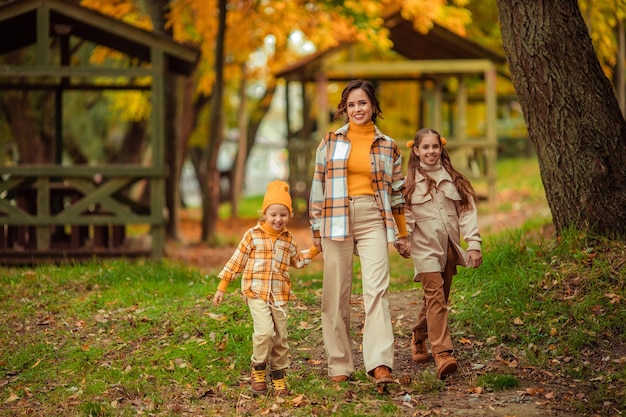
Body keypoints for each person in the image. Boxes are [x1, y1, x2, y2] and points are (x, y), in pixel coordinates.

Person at [309, 79, 411, 386]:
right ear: (344, 108)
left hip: (373, 218)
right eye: (351, 104)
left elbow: (396, 194)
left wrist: (401, 233)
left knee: (376, 291)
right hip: (334, 218)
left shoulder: (389, 146)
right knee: (335, 295)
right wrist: (316, 228)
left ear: (373, 107)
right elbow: (318, 185)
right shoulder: (329, 142)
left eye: (362, 103)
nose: (357, 109)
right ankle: (340, 363)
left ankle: (380, 363)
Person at [213, 180, 319, 395]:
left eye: (283, 214)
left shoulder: (289, 239)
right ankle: (258, 369)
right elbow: (237, 261)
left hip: (279, 296)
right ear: (264, 214)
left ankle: (279, 377)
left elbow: (297, 261)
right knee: (265, 333)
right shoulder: (252, 235)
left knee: (280, 338)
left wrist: (316, 249)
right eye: (273, 214)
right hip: (256, 292)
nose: (278, 219)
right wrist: (222, 286)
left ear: (288, 215)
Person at [403, 128, 483, 380]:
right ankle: (443, 354)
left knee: (437, 299)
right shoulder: (408, 184)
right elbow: (402, 214)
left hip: (448, 248)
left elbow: (467, 212)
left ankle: (419, 334)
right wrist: (402, 239)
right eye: (425, 147)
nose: (430, 151)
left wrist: (474, 243)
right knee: (436, 298)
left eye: (434, 147)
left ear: (441, 148)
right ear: (416, 151)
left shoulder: (454, 179)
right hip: (424, 249)